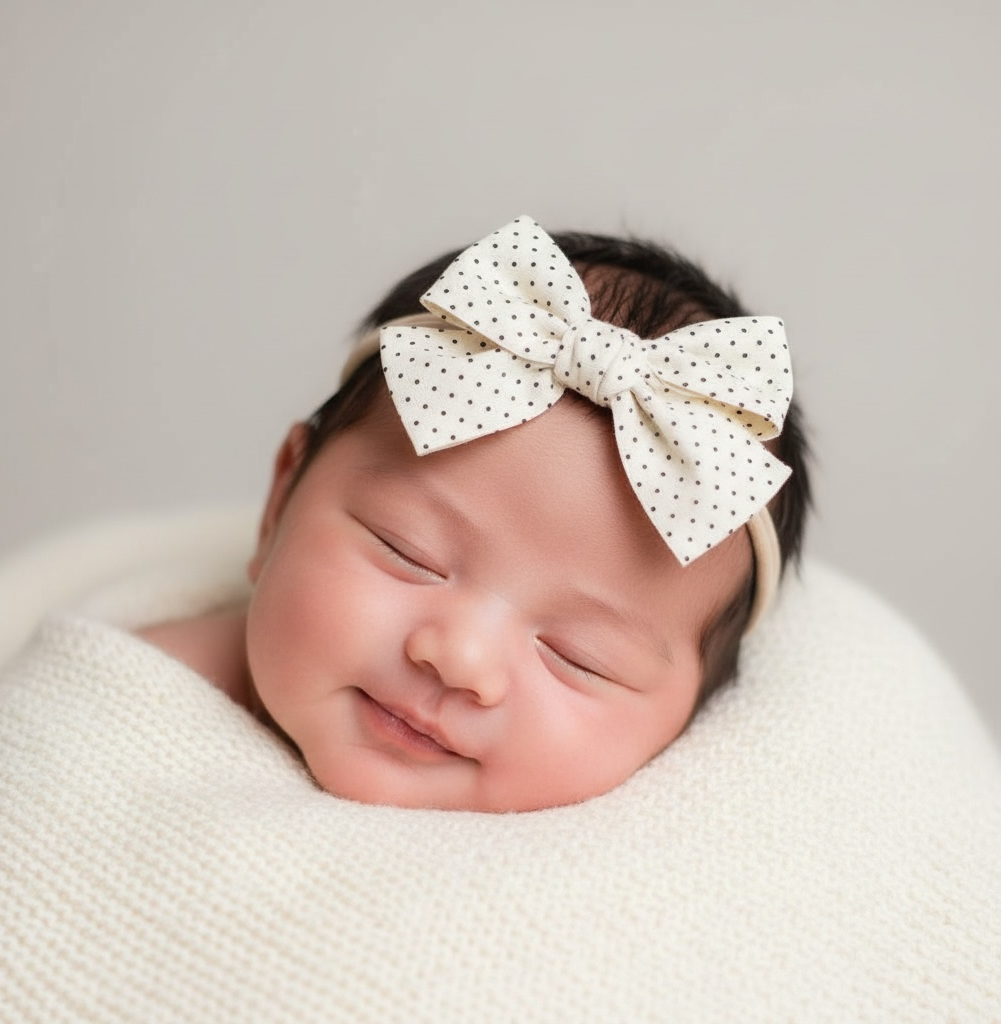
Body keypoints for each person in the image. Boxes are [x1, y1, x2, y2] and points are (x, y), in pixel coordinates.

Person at [138, 215, 812, 812]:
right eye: (407, 553)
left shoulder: (639, 881)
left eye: (579, 659)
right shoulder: (138, 702)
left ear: (689, 727)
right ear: (282, 495)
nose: (460, 659)